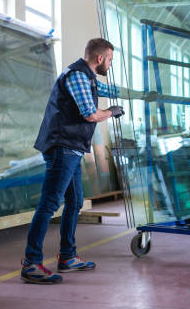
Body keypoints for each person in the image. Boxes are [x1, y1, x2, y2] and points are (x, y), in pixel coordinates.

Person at [21, 38, 124, 285]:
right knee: (49, 204)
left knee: (75, 201)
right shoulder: (78, 76)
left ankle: (67, 256)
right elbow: (90, 114)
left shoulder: (88, 78)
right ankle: (31, 263)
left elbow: (109, 91)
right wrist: (112, 112)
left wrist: (142, 95)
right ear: (100, 58)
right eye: (110, 59)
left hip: (72, 149)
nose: (110, 64)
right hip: (62, 148)